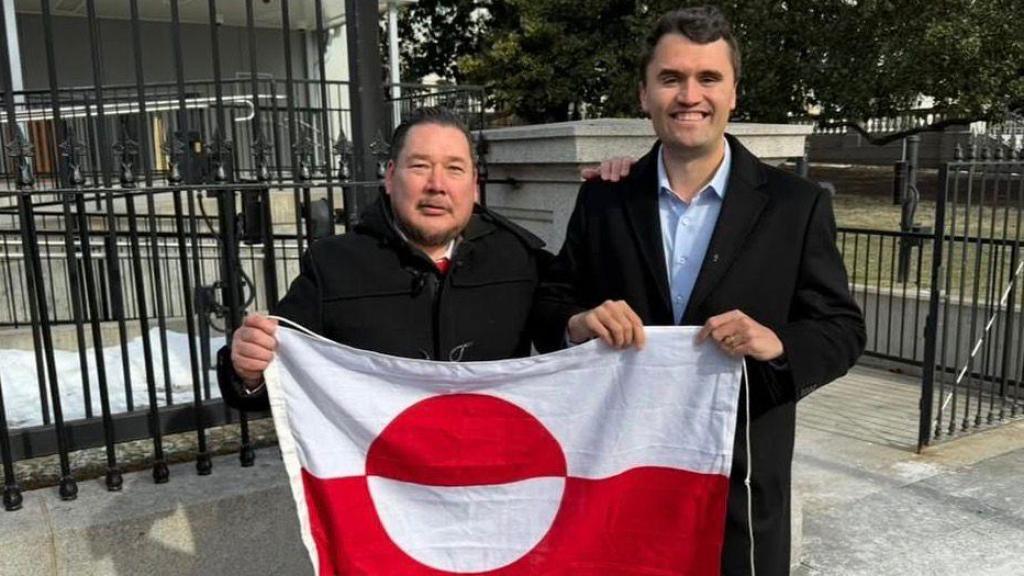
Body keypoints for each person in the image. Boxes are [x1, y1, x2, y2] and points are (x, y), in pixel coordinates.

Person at [532, 6, 865, 576]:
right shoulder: (605, 198)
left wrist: (779, 344)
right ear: (644, 95)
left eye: (709, 78)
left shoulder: (796, 205)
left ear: (733, 93)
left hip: (740, 492)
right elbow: (549, 303)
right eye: (671, 78)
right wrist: (578, 323)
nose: (690, 95)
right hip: (622, 485)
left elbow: (842, 329)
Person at [218, 107, 549, 411]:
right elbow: (277, 371)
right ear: (390, 177)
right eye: (420, 166)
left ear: (474, 185)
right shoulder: (333, 265)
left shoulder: (519, 259)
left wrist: (573, 325)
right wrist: (247, 370)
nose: (437, 185)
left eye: (454, 169)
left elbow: (565, 329)